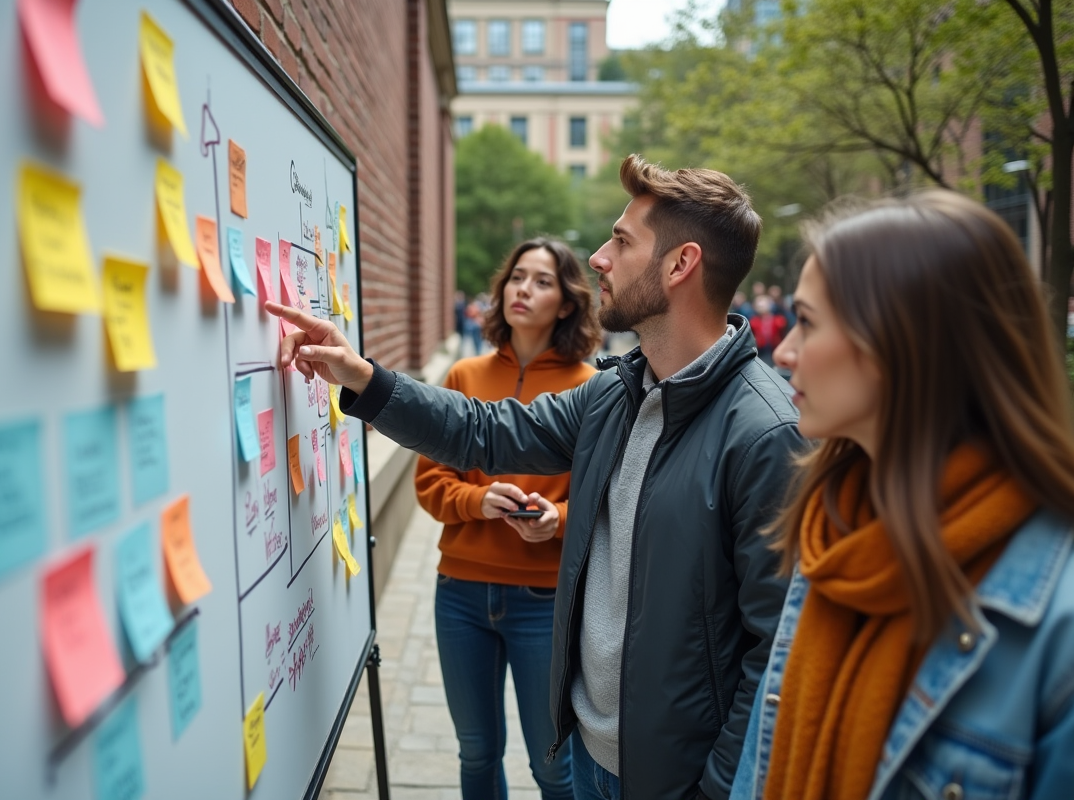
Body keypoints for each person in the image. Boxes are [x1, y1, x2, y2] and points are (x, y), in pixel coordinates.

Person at [268, 154, 802, 800]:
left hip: (673, 781)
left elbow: (775, 650)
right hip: (584, 752)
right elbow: (483, 431)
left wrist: (716, 789)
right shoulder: (616, 393)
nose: (600, 258)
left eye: (622, 241)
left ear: (680, 265)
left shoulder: (764, 433)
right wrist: (361, 376)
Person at [730, 191, 1074, 800]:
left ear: (900, 343)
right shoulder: (833, 533)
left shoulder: (1057, 628)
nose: (783, 351)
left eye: (806, 322)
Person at [416, 237, 601, 800]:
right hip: (460, 596)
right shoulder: (464, 376)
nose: (523, 289)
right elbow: (429, 484)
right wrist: (478, 501)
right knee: (476, 753)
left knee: (553, 767)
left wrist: (558, 521)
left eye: (543, 281)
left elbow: (604, 501)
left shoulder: (590, 388)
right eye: (518, 276)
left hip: (542, 604)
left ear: (567, 303)